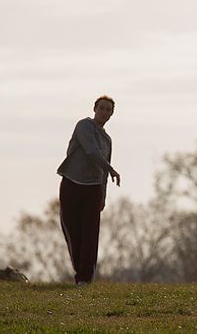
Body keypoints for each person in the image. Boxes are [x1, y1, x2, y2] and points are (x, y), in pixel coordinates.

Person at [57, 95, 121, 285]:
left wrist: (103, 195)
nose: (104, 112)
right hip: (72, 184)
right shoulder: (84, 126)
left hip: (93, 189)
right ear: (94, 109)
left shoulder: (107, 140)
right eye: (101, 108)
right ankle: (79, 271)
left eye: (108, 109)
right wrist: (111, 169)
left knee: (91, 234)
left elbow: (103, 172)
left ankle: (85, 278)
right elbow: (91, 151)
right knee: (72, 231)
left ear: (111, 114)